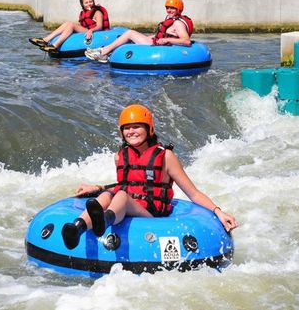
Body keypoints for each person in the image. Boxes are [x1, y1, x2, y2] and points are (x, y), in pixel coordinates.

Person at [61, 104, 238, 250]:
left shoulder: (166, 157)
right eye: (127, 128)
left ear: (149, 129)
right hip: (128, 208)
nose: (131, 132)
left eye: (136, 126)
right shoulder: (119, 156)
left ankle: (104, 221)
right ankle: (77, 228)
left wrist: (218, 211)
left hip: (150, 216)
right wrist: (99, 188)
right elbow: (128, 183)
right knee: (106, 196)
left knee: (121, 196)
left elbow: (193, 194)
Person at [84, 0, 193, 63]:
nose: (169, 10)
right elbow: (164, 34)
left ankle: (103, 52)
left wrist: (167, 40)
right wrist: (151, 37)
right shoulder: (170, 18)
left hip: (161, 46)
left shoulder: (178, 23)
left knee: (130, 33)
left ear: (178, 9)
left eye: (172, 8)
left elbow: (186, 41)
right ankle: (104, 51)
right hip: (157, 42)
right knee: (131, 37)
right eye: (167, 8)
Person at [29, 0, 110, 53]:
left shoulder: (97, 12)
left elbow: (99, 26)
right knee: (68, 23)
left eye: (90, 1)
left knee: (71, 24)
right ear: (82, 4)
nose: (89, 4)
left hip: (96, 32)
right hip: (86, 30)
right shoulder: (83, 13)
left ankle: (55, 46)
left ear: (93, 1)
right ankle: (45, 39)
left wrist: (91, 30)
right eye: (86, 2)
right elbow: (84, 24)